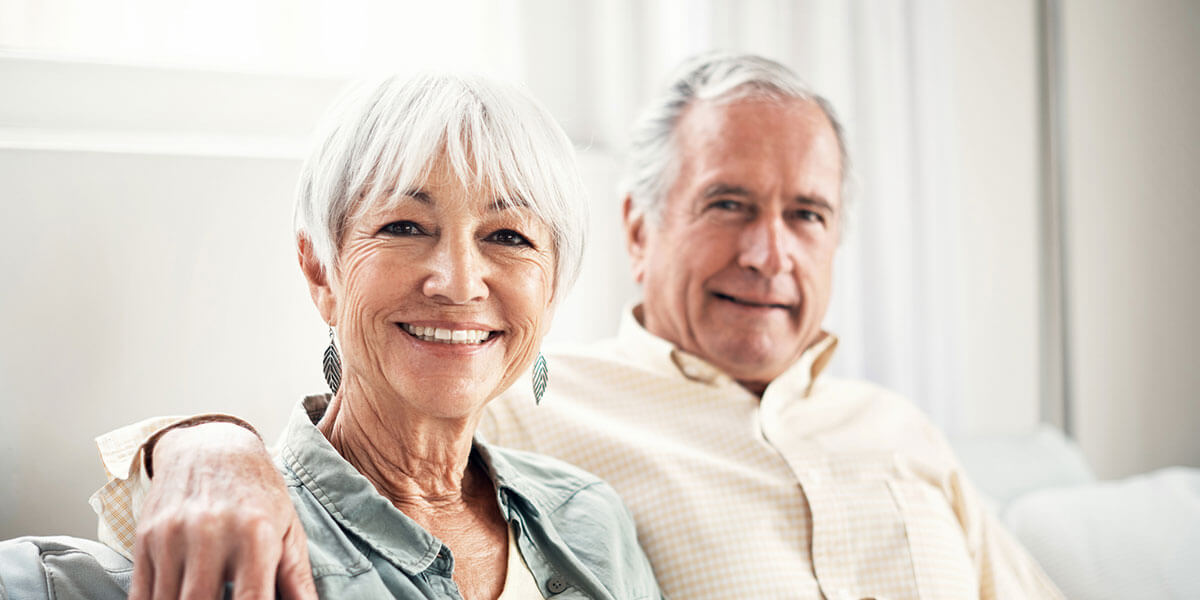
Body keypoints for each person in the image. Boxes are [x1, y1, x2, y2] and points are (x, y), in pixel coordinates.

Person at [82, 53, 1063, 599]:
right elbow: (353, 440)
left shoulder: (898, 429)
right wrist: (199, 444)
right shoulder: (538, 402)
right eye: (728, 204)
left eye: (806, 214)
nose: (771, 253)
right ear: (639, 229)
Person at [0, 73, 663, 600]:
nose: (458, 282)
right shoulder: (242, 527)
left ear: (551, 290)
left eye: (508, 236)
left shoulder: (591, 518)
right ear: (322, 268)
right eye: (406, 226)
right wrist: (197, 444)